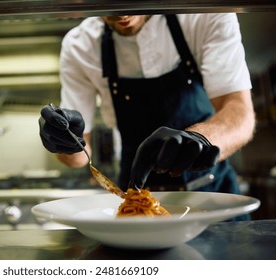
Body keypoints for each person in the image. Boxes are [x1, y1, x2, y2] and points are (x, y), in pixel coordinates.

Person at [39, 14, 255, 219]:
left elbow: (239, 111)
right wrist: (63, 141)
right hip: (135, 206)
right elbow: (77, 157)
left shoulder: (203, 16)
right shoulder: (79, 46)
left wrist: (200, 139)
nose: (121, 15)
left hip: (212, 196)